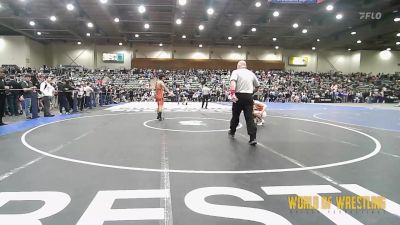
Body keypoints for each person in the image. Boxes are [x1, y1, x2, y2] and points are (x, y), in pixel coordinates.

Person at [228, 61, 260, 146]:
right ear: (245, 66)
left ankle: (232, 131)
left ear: (238, 66)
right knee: (249, 118)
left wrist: (232, 93)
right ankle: (253, 138)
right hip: (248, 96)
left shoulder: (236, 72)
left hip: (238, 96)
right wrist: (251, 93)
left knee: (235, 115)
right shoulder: (251, 73)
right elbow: (257, 86)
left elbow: (233, 82)